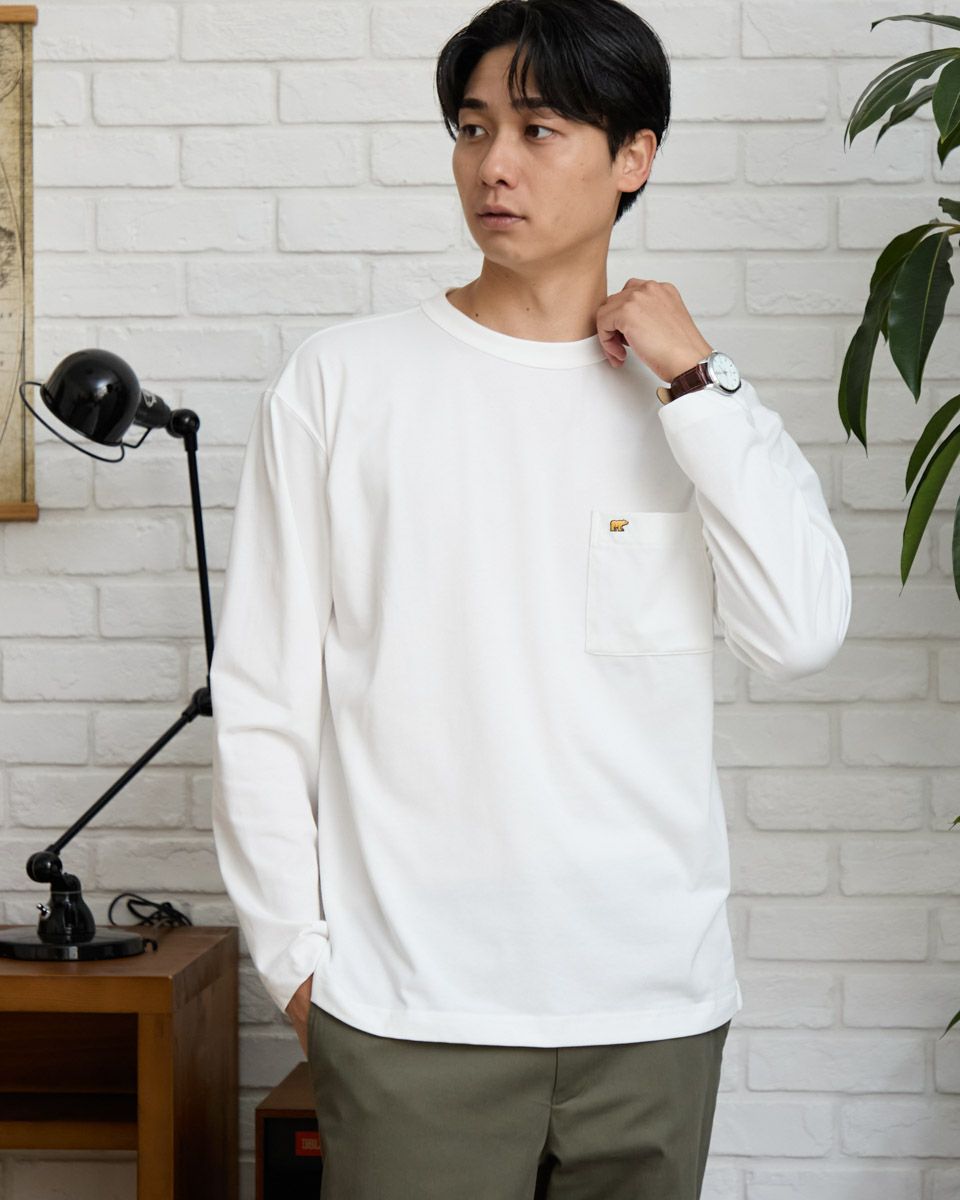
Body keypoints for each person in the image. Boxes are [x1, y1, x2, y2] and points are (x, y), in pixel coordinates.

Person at [209, 1, 853, 1197]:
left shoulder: (692, 404)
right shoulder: (342, 382)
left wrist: (697, 378)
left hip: (652, 1013)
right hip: (408, 1013)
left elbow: (802, 631)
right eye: (472, 128)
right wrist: (298, 966)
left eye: (538, 129)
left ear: (633, 157)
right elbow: (260, 702)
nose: (492, 164)